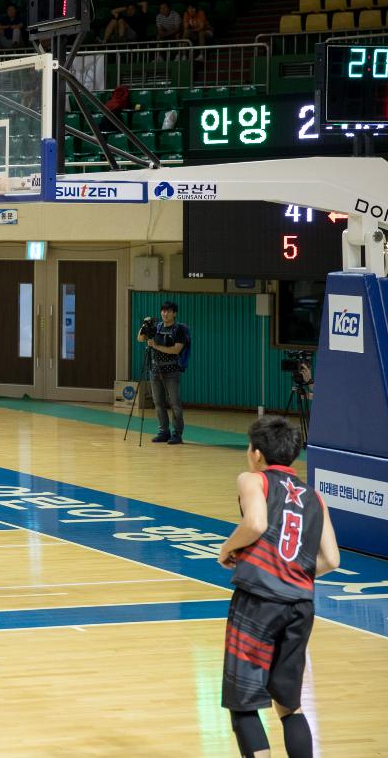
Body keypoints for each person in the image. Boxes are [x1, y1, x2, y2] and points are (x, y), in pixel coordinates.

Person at [217, 416, 339, 758]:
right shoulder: (314, 496)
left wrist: (228, 549)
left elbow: (255, 522)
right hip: (301, 606)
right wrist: (293, 572)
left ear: (257, 453)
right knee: (289, 705)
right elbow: (331, 559)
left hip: (259, 602)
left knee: (243, 703)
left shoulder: (253, 479)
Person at [138, 300, 191, 444]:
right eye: (163, 311)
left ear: (174, 313)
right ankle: (163, 432)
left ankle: (177, 434)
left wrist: (155, 345)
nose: (165, 313)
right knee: (158, 403)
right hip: (155, 370)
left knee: (174, 403)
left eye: (169, 311)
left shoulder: (179, 329)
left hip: (171, 371)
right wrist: (144, 326)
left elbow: (176, 349)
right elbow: (140, 338)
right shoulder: (157, 327)